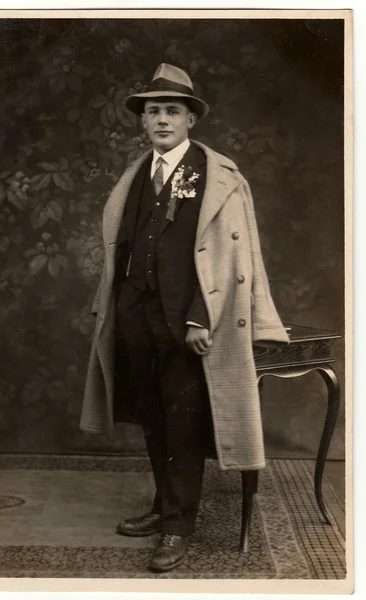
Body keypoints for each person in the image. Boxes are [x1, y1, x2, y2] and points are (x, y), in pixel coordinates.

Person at [80, 63, 289, 572]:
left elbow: (231, 260)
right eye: (154, 111)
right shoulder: (137, 175)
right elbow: (123, 246)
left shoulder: (218, 176)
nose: (162, 120)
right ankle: (163, 505)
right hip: (135, 310)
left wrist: (202, 318)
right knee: (153, 413)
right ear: (143, 121)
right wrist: (114, 302)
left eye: (172, 110)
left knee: (184, 419)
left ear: (191, 118)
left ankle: (178, 526)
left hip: (188, 320)